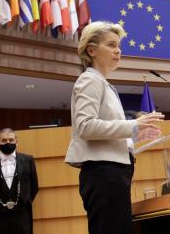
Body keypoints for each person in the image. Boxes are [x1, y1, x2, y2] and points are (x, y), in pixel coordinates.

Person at [64, 21, 164, 234]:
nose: (118, 50)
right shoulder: (90, 80)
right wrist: (133, 125)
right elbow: (86, 126)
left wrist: (135, 135)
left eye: (118, 45)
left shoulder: (103, 83)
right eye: (111, 44)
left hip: (112, 172)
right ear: (91, 50)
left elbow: (105, 130)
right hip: (104, 174)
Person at [0, 128, 38, 234]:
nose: (7, 143)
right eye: (4, 140)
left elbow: (34, 187)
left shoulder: (28, 160)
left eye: (11, 140)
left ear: (17, 141)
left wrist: (24, 201)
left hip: (21, 215)